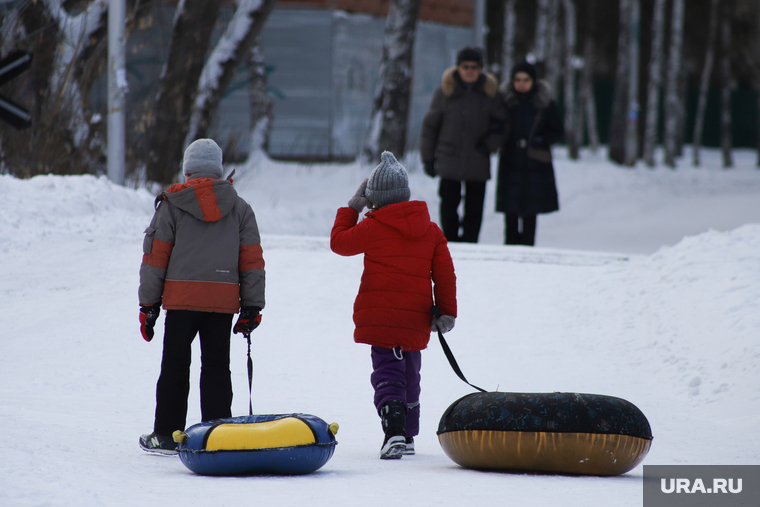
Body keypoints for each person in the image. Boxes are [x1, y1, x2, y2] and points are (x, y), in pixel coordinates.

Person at [138, 138, 266, 454]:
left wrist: (148, 304)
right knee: (217, 369)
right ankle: (217, 436)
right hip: (221, 304)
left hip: (180, 302)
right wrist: (252, 306)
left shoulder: (171, 204)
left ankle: (167, 434)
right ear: (218, 169)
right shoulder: (239, 207)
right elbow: (251, 260)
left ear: (188, 170)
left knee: (175, 366)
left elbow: (155, 258)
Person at [330, 151, 457, 459]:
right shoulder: (431, 230)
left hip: (381, 318)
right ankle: (408, 434)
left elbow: (339, 243)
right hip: (417, 319)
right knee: (411, 374)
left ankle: (394, 433)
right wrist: (447, 311)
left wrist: (352, 208)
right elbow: (444, 275)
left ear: (374, 199)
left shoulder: (372, 226)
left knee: (388, 373)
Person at [420, 46, 504, 243]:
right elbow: (430, 127)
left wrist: (489, 145)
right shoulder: (444, 93)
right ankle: (449, 244)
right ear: (458, 67)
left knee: (475, 208)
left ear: (481, 68)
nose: (469, 70)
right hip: (449, 160)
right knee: (448, 205)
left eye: (474, 66)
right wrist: (428, 159)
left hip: (477, 159)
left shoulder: (491, 94)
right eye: (465, 66)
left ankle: (470, 244)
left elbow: (502, 125)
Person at [496, 60, 564, 246]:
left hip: (535, 162)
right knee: (510, 209)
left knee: (530, 210)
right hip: (510, 159)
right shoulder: (504, 101)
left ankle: (527, 250)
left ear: (533, 80)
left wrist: (543, 140)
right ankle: (510, 250)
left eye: (526, 79)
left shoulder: (544, 102)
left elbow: (558, 129)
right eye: (517, 79)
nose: (521, 83)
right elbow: (494, 124)